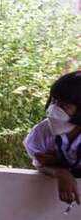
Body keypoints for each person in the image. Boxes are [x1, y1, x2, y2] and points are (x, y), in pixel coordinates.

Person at [24, 70, 81, 206]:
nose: (53, 109)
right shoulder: (43, 131)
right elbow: (39, 162)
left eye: (64, 106)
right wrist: (59, 172)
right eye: (54, 101)